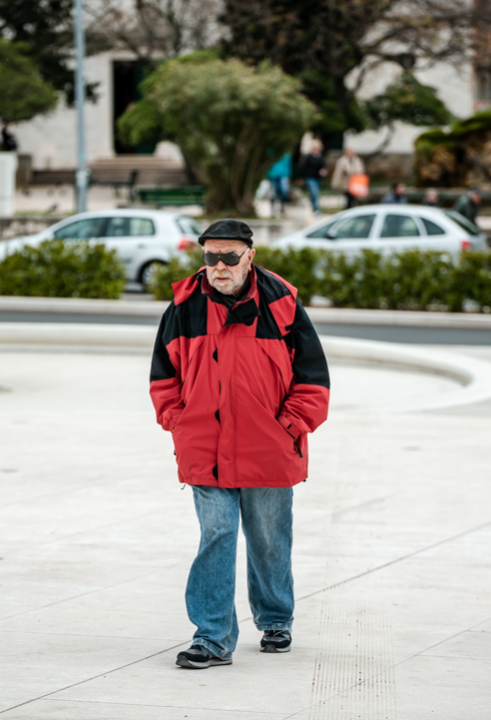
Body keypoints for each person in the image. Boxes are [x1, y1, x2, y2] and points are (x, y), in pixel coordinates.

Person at [150, 218, 331, 670]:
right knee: (218, 533)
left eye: (229, 256)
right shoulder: (183, 306)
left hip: (268, 447)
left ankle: (274, 617)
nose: (219, 266)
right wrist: (179, 422)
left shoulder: (282, 303)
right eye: (210, 256)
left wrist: (288, 427)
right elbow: (163, 377)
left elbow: (313, 378)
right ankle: (212, 637)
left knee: (268, 538)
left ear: (250, 255)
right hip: (206, 448)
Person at [300, 141, 328, 214]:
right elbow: (304, 167)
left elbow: (324, 166)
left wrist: (323, 171)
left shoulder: (321, 156)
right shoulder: (308, 157)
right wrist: (301, 177)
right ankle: (316, 209)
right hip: (310, 178)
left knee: (314, 193)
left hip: (318, 178)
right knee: (314, 193)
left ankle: (312, 205)